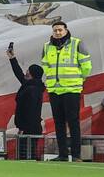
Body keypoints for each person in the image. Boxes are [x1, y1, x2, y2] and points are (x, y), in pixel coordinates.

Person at [40, 20, 91, 162]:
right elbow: (45, 66)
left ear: (66, 30)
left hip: (71, 89)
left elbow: (86, 66)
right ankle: (62, 154)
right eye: (55, 30)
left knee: (73, 122)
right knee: (58, 122)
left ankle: (76, 155)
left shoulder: (77, 43)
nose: (57, 32)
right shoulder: (46, 47)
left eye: (60, 30)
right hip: (54, 90)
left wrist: (80, 79)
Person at [6, 44, 45, 160]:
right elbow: (19, 74)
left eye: (28, 70)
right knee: (25, 153)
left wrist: (23, 127)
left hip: (30, 128)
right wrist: (12, 58)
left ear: (32, 74)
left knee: (27, 155)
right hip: (30, 127)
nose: (26, 72)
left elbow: (30, 111)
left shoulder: (32, 90)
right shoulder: (31, 86)